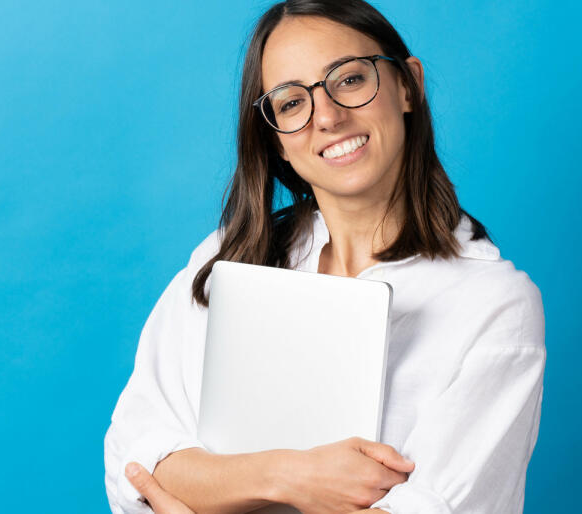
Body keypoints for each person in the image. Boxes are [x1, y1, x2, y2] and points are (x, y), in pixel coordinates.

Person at [104, 1, 546, 513]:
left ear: (409, 85)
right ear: (275, 142)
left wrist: (212, 485)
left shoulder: (495, 306)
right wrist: (292, 475)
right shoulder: (226, 262)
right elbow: (133, 463)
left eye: (350, 79)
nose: (329, 117)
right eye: (291, 103)